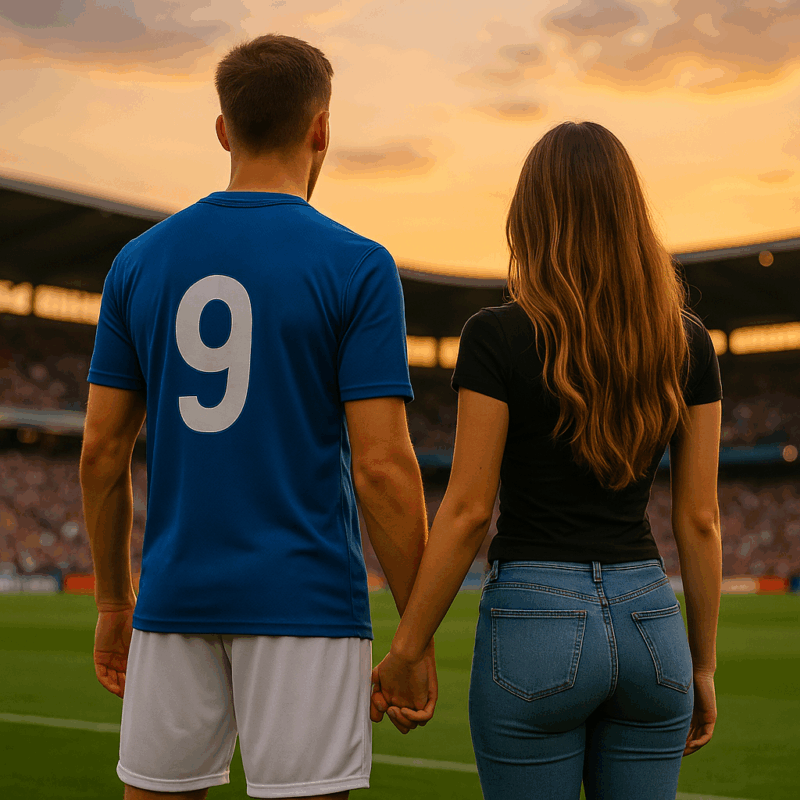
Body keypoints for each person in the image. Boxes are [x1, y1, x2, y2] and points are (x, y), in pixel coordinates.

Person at [80, 33, 435, 800]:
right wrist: (415, 633)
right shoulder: (358, 264)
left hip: (174, 596)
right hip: (304, 601)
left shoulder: (139, 262)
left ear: (222, 130)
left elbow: (102, 453)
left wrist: (114, 600)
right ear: (322, 130)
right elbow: (381, 465)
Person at [371, 121, 723, 800]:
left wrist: (409, 646)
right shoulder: (689, 343)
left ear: (530, 217)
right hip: (653, 624)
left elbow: (470, 510)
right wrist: (702, 665)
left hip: (534, 620)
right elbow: (701, 519)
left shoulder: (496, 335)